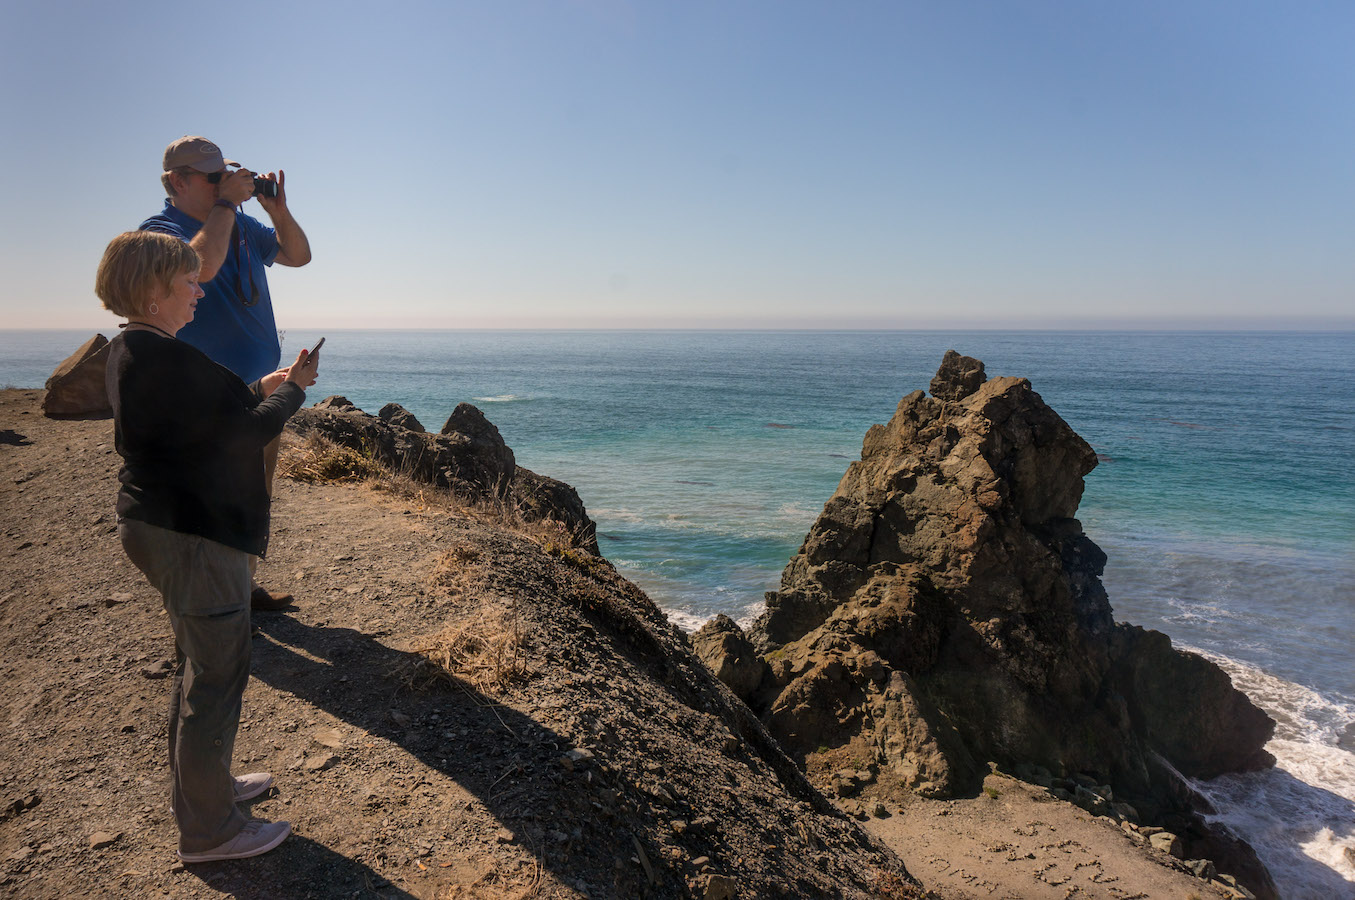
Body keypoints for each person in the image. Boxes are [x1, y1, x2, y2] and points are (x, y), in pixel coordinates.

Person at [98, 231, 319, 862]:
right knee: (216, 678)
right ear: (151, 290)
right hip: (193, 534)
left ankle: (207, 792)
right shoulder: (163, 357)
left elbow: (197, 427)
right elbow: (241, 439)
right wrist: (293, 390)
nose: (200, 290)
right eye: (189, 282)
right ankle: (210, 831)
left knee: (199, 666)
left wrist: (260, 387)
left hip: (163, 526)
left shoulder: (133, 349)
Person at [141, 135, 312, 611]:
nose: (226, 186)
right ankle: (211, 606)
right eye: (215, 178)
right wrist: (226, 207)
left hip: (259, 393)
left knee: (253, 494)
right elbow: (201, 267)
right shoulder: (159, 232)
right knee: (209, 500)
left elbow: (298, 256)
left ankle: (241, 589)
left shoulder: (241, 225)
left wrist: (276, 211)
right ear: (179, 180)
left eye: (229, 177)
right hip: (202, 398)